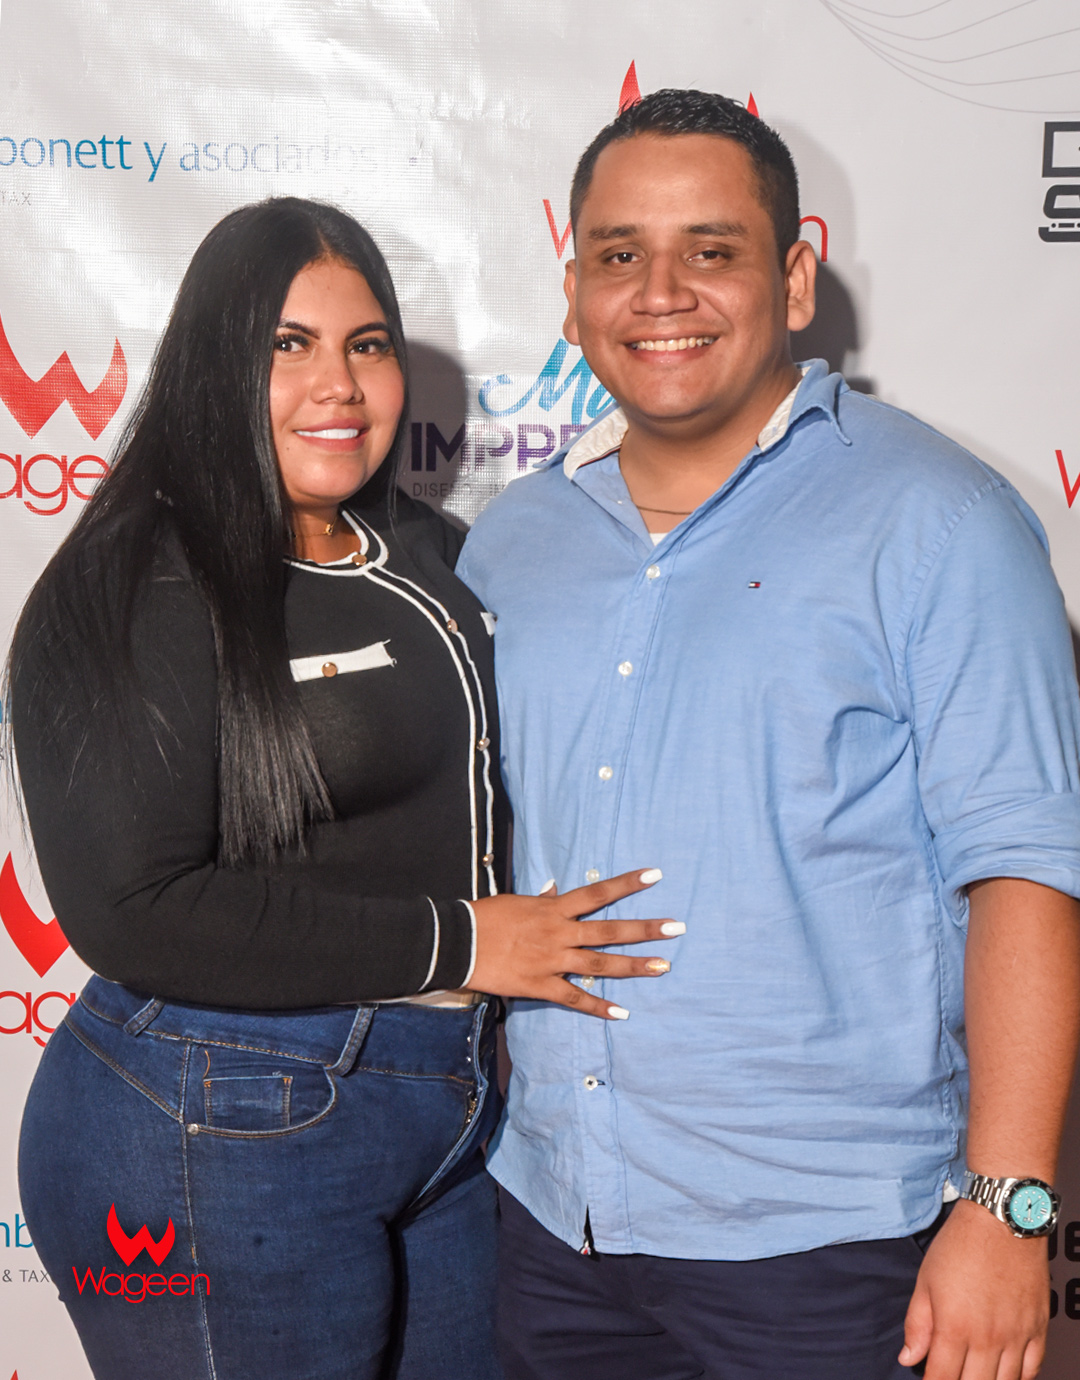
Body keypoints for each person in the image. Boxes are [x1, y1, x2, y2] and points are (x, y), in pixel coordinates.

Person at [457, 91, 1080, 1380]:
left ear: (794, 279)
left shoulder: (943, 523)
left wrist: (1007, 1209)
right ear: (574, 295)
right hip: (550, 1221)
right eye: (620, 254)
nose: (661, 293)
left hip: (837, 1250)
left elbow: (1028, 870)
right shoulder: (510, 542)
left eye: (712, 249)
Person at [7, 197, 677, 1380]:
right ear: (213, 365)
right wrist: (470, 942)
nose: (340, 384)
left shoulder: (426, 552)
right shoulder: (133, 580)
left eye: (367, 344)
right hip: (215, 1112)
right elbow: (133, 912)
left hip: (445, 1108)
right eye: (288, 345)